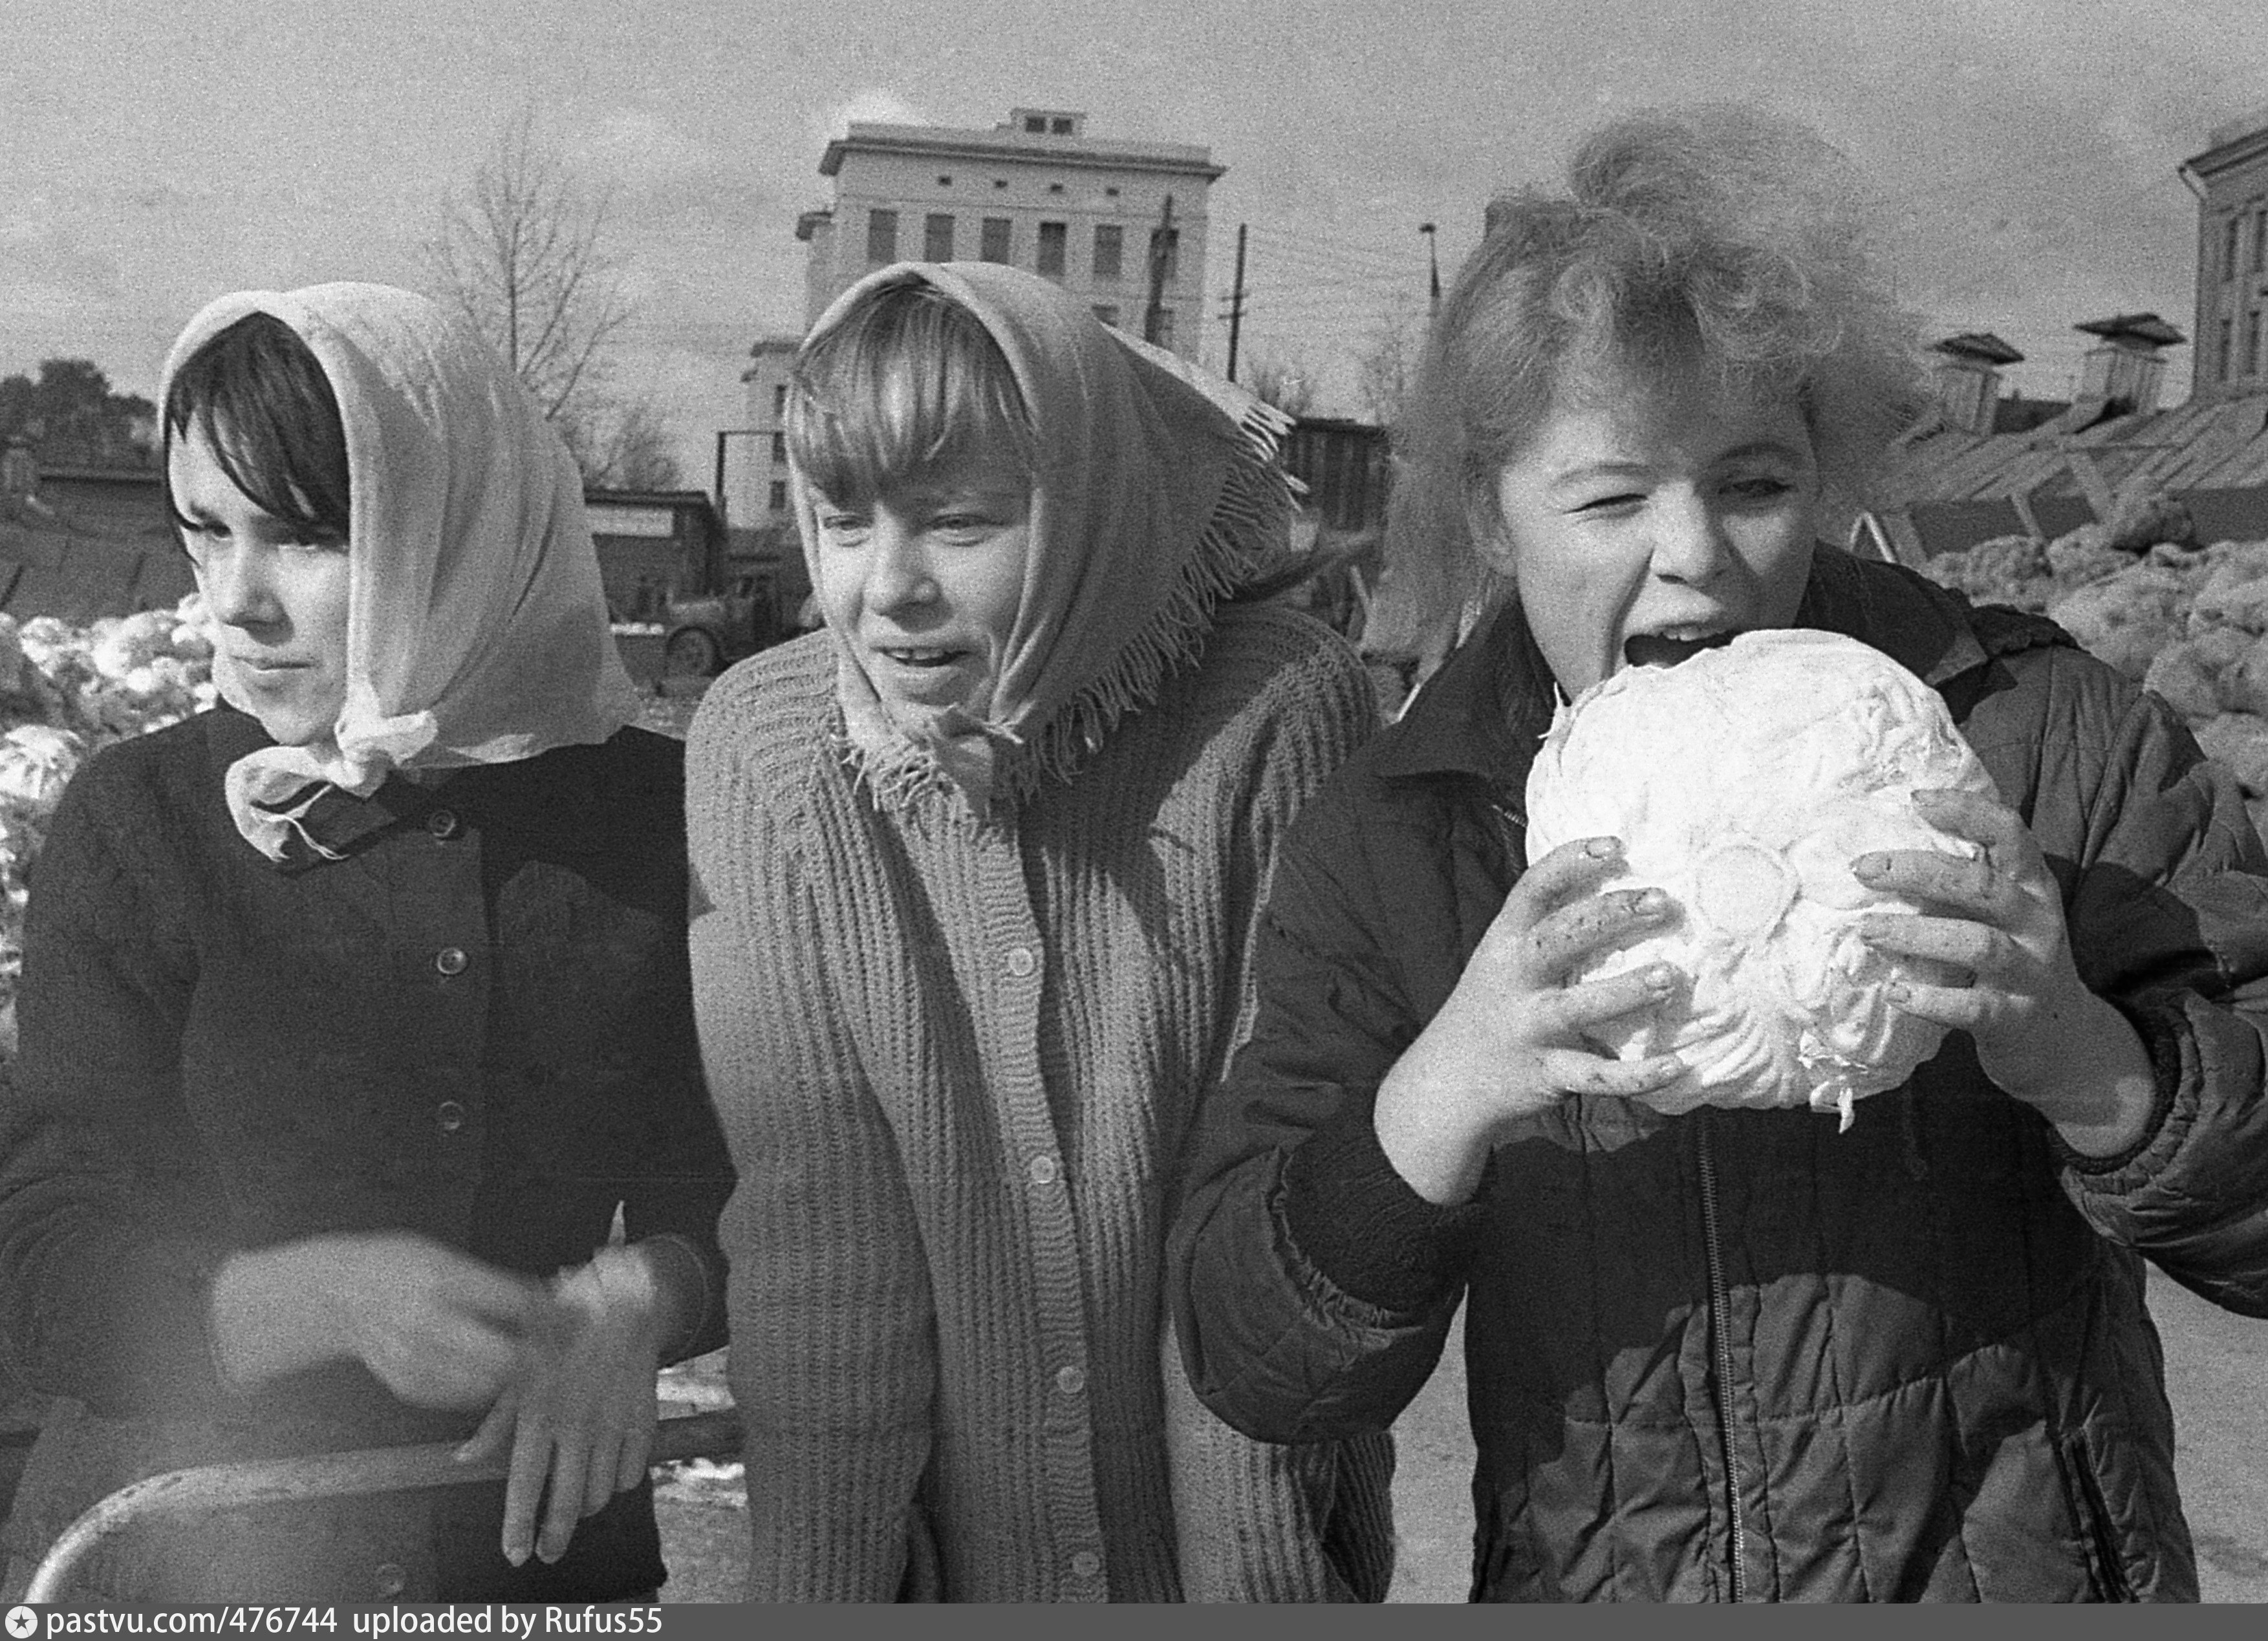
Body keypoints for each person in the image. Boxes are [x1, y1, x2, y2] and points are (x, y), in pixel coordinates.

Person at [1167, 107, 2268, 1603]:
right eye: (1610, 497)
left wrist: (2092, 1066)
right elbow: (1256, 1364)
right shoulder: (1404, 832)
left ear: (1825, 469)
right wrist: (1440, 1094)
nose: (1690, 553)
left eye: (1750, 483)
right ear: (1493, 518)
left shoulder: (2038, 742)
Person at [0, 284, 733, 1603]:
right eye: (202, 532)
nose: (235, 602)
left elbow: (755, 1193)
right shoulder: (146, 823)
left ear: (456, 525)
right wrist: (319, 1299)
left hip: (523, 1565)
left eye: (304, 539)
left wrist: (644, 1298)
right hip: (182, 1567)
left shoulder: (647, 820)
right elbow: (42, 1264)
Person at [687, 261, 1393, 1602]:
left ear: (1083, 506)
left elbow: (1255, 1206)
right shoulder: (770, 752)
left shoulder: (1272, 712)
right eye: (843, 523)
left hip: (1230, 1552)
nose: (884, 587)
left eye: (955, 523)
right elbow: (820, 1238)